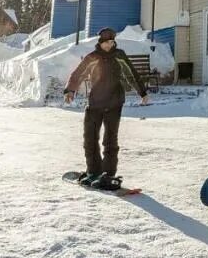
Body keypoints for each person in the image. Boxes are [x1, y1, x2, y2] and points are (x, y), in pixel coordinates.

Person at [63, 27, 151, 189]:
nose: (110, 45)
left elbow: (131, 74)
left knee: (110, 139)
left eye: (112, 42)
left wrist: (142, 92)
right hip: (95, 103)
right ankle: (93, 171)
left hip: (114, 103)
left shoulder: (119, 56)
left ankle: (108, 174)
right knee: (90, 138)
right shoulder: (93, 57)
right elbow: (78, 74)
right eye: (107, 42)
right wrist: (70, 90)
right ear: (100, 43)